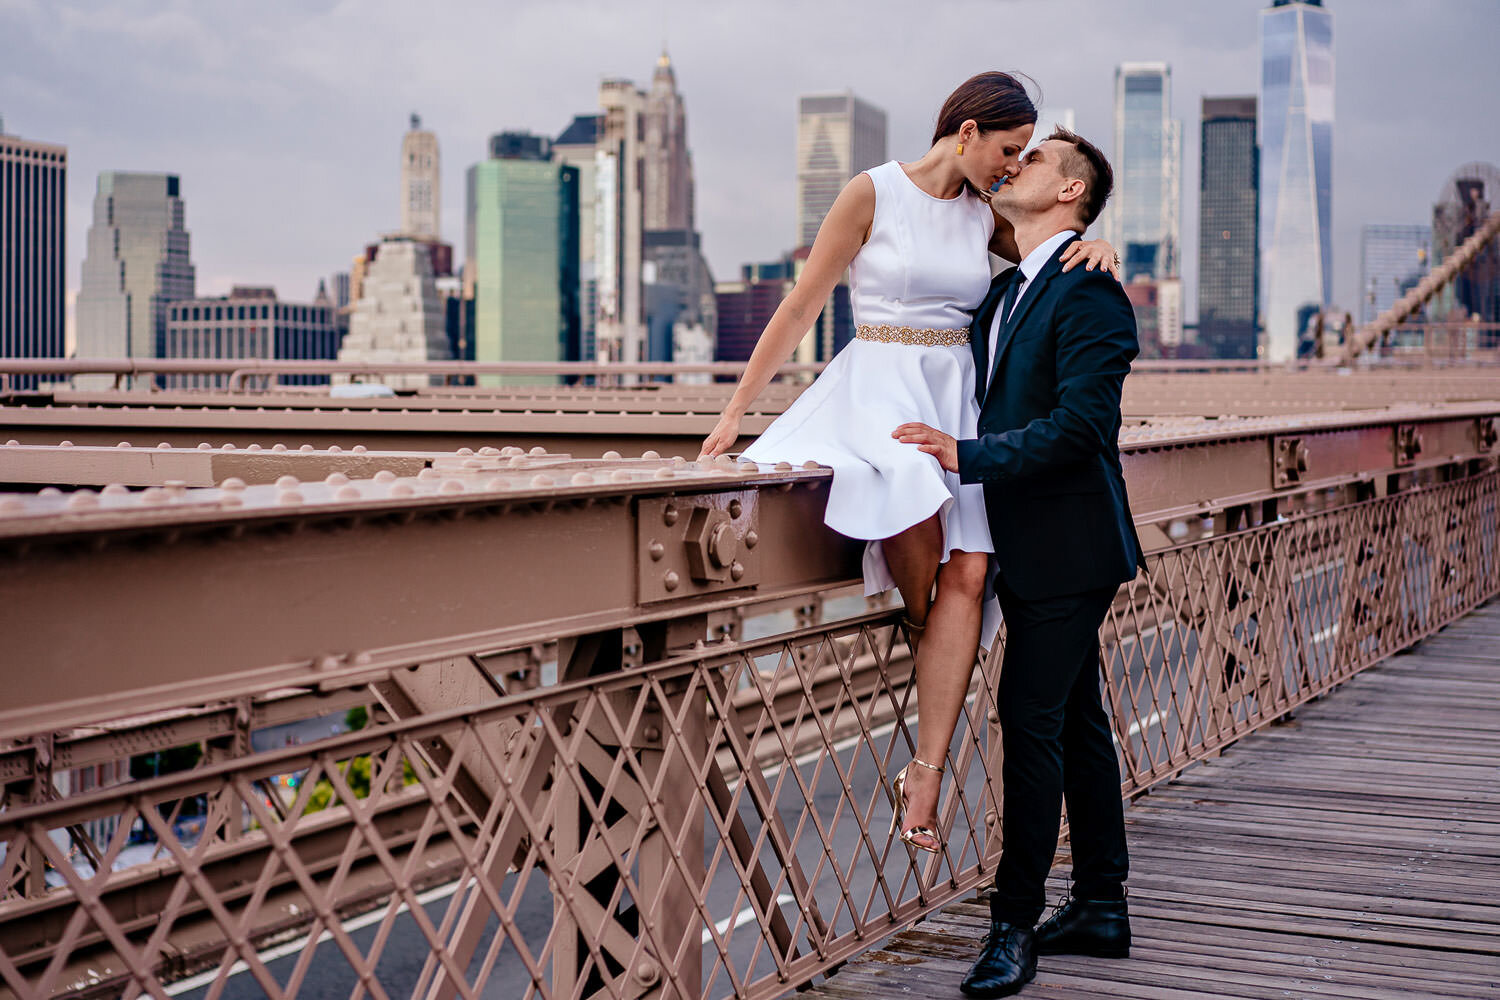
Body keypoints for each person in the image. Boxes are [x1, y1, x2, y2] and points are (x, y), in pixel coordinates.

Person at [699, 72, 1118, 854]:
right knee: (920, 529)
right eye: (1005, 149)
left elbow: (1044, 248)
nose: (1010, 166)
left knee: (970, 570)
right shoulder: (872, 193)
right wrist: (734, 414)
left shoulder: (986, 212)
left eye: (1024, 155)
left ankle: (925, 766)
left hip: (957, 394)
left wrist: (1094, 240)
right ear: (965, 132)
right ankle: (930, 637)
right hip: (878, 389)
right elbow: (800, 305)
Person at [894, 127, 1145, 997]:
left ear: (1071, 192)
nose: (1015, 164)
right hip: (1026, 538)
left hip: (1069, 545)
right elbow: (951, 202)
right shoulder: (1008, 292)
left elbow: (1084, 429)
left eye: (1034, 159)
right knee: (1076, 720)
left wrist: (967, 458)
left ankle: (1013, 928)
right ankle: (1103, 904)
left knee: (1029, 721)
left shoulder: (1091, 293)